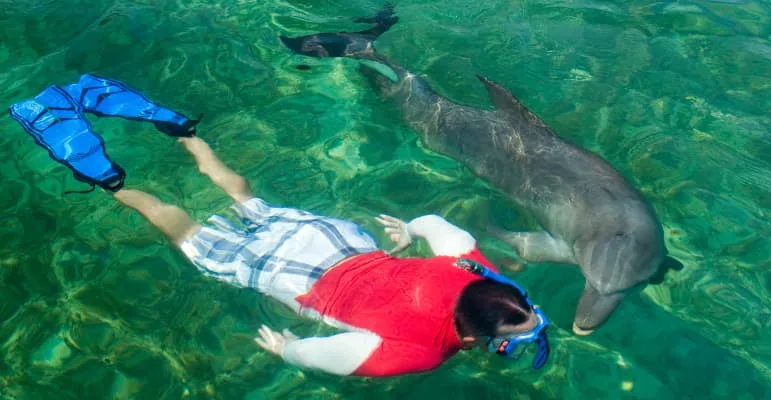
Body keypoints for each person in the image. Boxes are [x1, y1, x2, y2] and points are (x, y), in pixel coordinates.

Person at [9, 74, 550, 378]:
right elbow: (325, 356)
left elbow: (436, 222)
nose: (527, 322)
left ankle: (179, 129)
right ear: (477, 338)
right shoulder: (422, 353)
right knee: (178, 226)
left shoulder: (470, 266)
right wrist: (286, 348)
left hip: (339, 244)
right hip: (296, 282)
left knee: (248, 198)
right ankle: (106, 178)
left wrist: (408, 232)